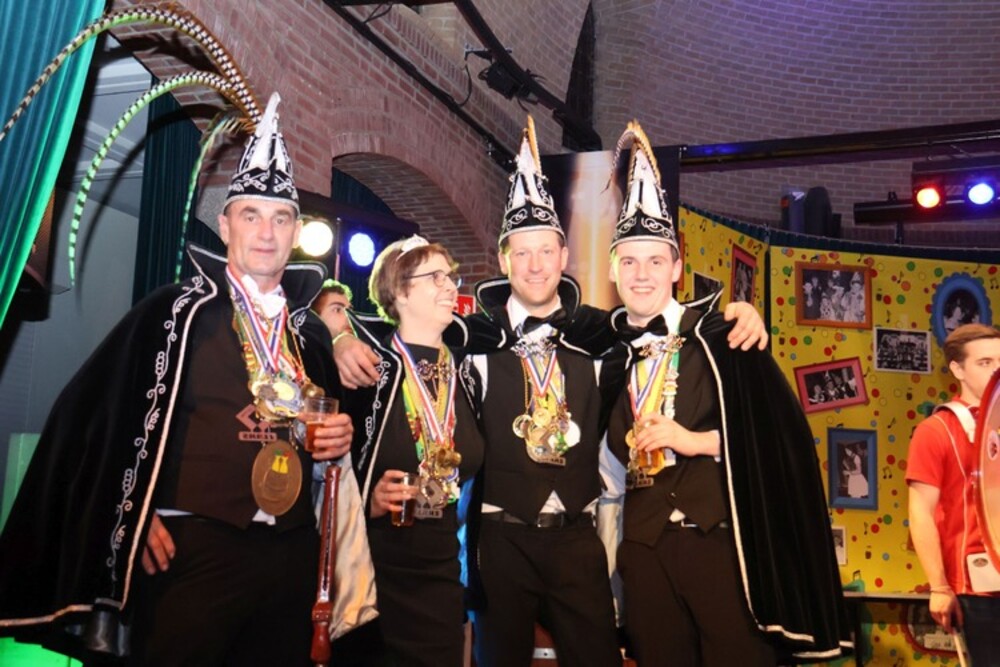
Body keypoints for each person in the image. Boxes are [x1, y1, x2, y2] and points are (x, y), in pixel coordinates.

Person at [333, 117, 768, 667]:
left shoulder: (604, 338)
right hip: (499, 543)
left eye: (546, 251)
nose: (535, 265)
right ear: (503, 261)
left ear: (564, 258)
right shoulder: (470, 340)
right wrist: (339, 332)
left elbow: (666, 326)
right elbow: (393, 337)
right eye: (521, 252)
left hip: (578, 542)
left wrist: (740, 313)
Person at [0, 93, 354, 665]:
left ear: (295, 232)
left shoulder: (309, 336)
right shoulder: (171, 312)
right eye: (251, 215)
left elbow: (331, 447)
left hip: (291, 552)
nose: (266, 232)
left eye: (281, 218)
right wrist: (132, 514)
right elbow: (91, 420)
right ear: (225, 225)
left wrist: (338, 443)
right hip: (191, 551)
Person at [600, 121, 850, 666]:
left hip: (719, 543)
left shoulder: (724, 334)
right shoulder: (603, 352)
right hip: (641, 549)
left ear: (677, 267)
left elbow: (776, 437)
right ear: (612, 268)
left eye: (655, 260)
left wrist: (693, 441)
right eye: (629, 261)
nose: (642, 275)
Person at [337, 235, 485, 667]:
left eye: (450, 276)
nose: (449, 285)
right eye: (435, 276)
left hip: (444, 572)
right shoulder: (368, 371)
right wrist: (367, 499)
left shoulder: (467, 375)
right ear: (400, 291)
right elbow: (328, 469)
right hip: (377, 575)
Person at [907, 323, 1000, 663]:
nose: (997, 371)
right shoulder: (936, 430)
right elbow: (920, 512)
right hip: (979, 587)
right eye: (985, 362)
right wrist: (939, 587)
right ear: (958, 369)